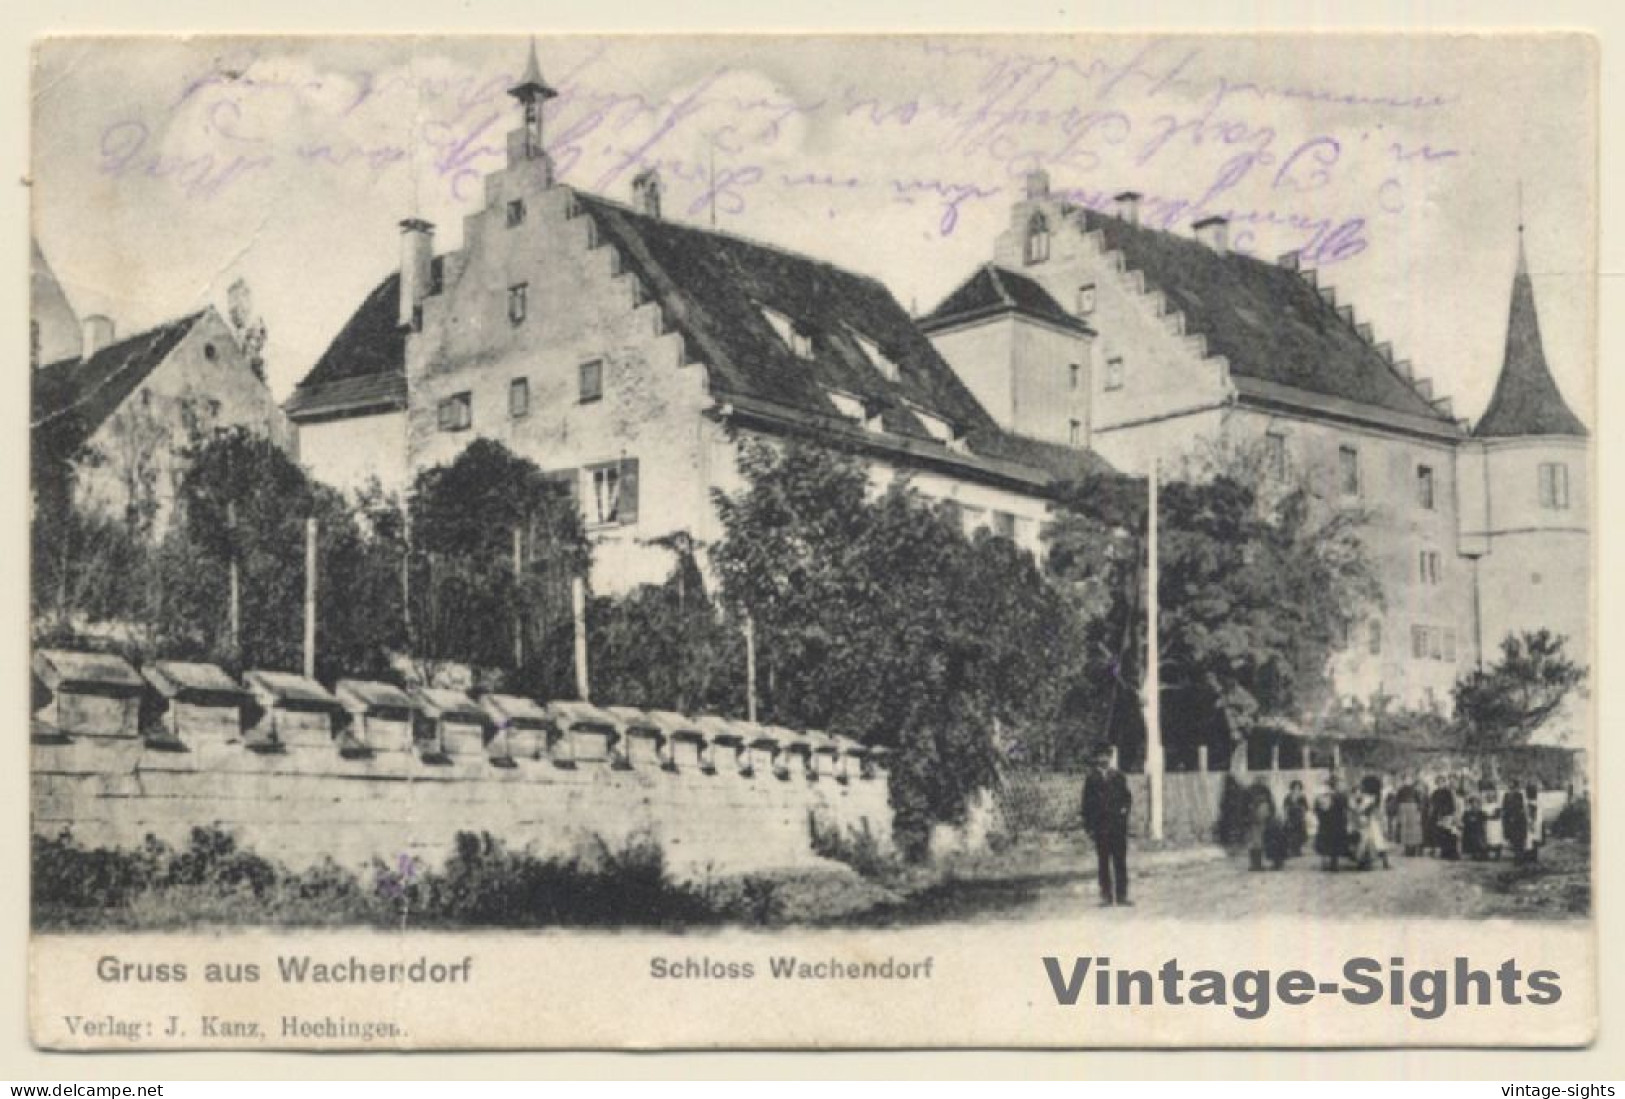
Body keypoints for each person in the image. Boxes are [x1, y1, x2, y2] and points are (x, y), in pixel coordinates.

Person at [1081, 744, 1133, 906]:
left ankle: (1122, 896)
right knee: (1103, 861)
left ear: (1110, 758)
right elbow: (1086, 804)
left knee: (1120, 860)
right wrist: (1089, 826)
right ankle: (1106, 896)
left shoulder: (1118, 776)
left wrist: (1124, 812)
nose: (1103, 759)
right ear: (1096, 759)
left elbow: (1127, 798)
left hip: (1117, 826)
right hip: (1100, 826)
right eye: (1100, 756)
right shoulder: (1091, 779)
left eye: (1106, 756)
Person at [1350, 775, 1391, 870]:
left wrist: (1356, 807)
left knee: (1368, 842)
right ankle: (1384, 863)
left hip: (1368, 821)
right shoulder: (1376, 797)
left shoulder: (1368, 798)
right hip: (1374, 821)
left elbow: (1361, 809)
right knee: (1378, 842)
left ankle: (1364, 862)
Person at [1245, 778, 1284, 871]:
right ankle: (1256, 864)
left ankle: (1258, 864)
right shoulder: (1254, 795)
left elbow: (1271, 806)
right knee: (1256, 843)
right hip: (1256, 822)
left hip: (1263, 822)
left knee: (1259, 842)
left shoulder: (1264, 794)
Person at [1315, 772, 1350, 871]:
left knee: (1327, 842)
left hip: (1329, 822)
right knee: (1334, 842)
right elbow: (1345, 807)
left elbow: (1317, 808)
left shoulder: (1323, 795)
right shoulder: (1340, 795)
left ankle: (1328, 863)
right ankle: (1333, 863)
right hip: (1335, 822)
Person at [1429, 776, 1460, 860]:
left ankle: (1452, 852)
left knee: (1449, 833)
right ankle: (1444, 851)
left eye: (1442, 782)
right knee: (1441, 834)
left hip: (1447, 814)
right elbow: (1432, 804)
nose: (1440, 784)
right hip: (1437, 815)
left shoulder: (1447, 792)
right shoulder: (1435, 793)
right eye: (1438, 782)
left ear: (1444, 783)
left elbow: (1451, 804)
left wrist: (1449, 814)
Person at [1394, 777, 1425, 856]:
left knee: (1414, 830)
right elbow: (1397, 801)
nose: (1408, 781)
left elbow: (1419, 802)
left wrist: (1419, 811)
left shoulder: (1415, 791)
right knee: (1404, 830)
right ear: (1404, 781)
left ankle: (1413, 849)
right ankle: (1406, 848)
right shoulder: (1401, 790)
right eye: (1406, 779)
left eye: (1409, 779)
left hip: (1413, 810)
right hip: (1403, 810)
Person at [1502, 780, 1530, 864]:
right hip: (1509, 819)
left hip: (1518, 820)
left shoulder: (1519, 795)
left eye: (1513, 788)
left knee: (1519, 839)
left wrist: (1515, 816)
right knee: (1512, 838)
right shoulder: (1506, 795)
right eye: (1510, 788)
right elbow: (1504, 807)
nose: (1512, 789)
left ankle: (1519, 857)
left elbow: (1520, 807)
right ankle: (1517, 855)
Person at [1282, 779, 1311, 858]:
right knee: (1291, 834)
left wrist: (1303, 814)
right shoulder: (1288, 796)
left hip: (1299, 818)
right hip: (1291, 817)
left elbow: (1306, 808)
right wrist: (1286, 817)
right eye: (1295, 787)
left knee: (1300, 834)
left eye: (1298, 787)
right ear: (1292, 788)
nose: (1296, 789)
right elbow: (1285, 807)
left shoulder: (1302, 797)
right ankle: (1292, 850)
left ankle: (1298, 850)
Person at [1462, 796, 1489, 861]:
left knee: (1479, 840)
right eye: (1472, 803)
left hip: (1478, 830)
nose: (1474, 805)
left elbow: (1484, 820)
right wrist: (1470, 820)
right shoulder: (1467, 813)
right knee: (1471, 839)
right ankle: (1474, 853)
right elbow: (1464, 820)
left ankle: (1482, 854)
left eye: (1476, 803)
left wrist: (1476, 820)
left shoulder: (1481, 812)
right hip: (1470, 830)